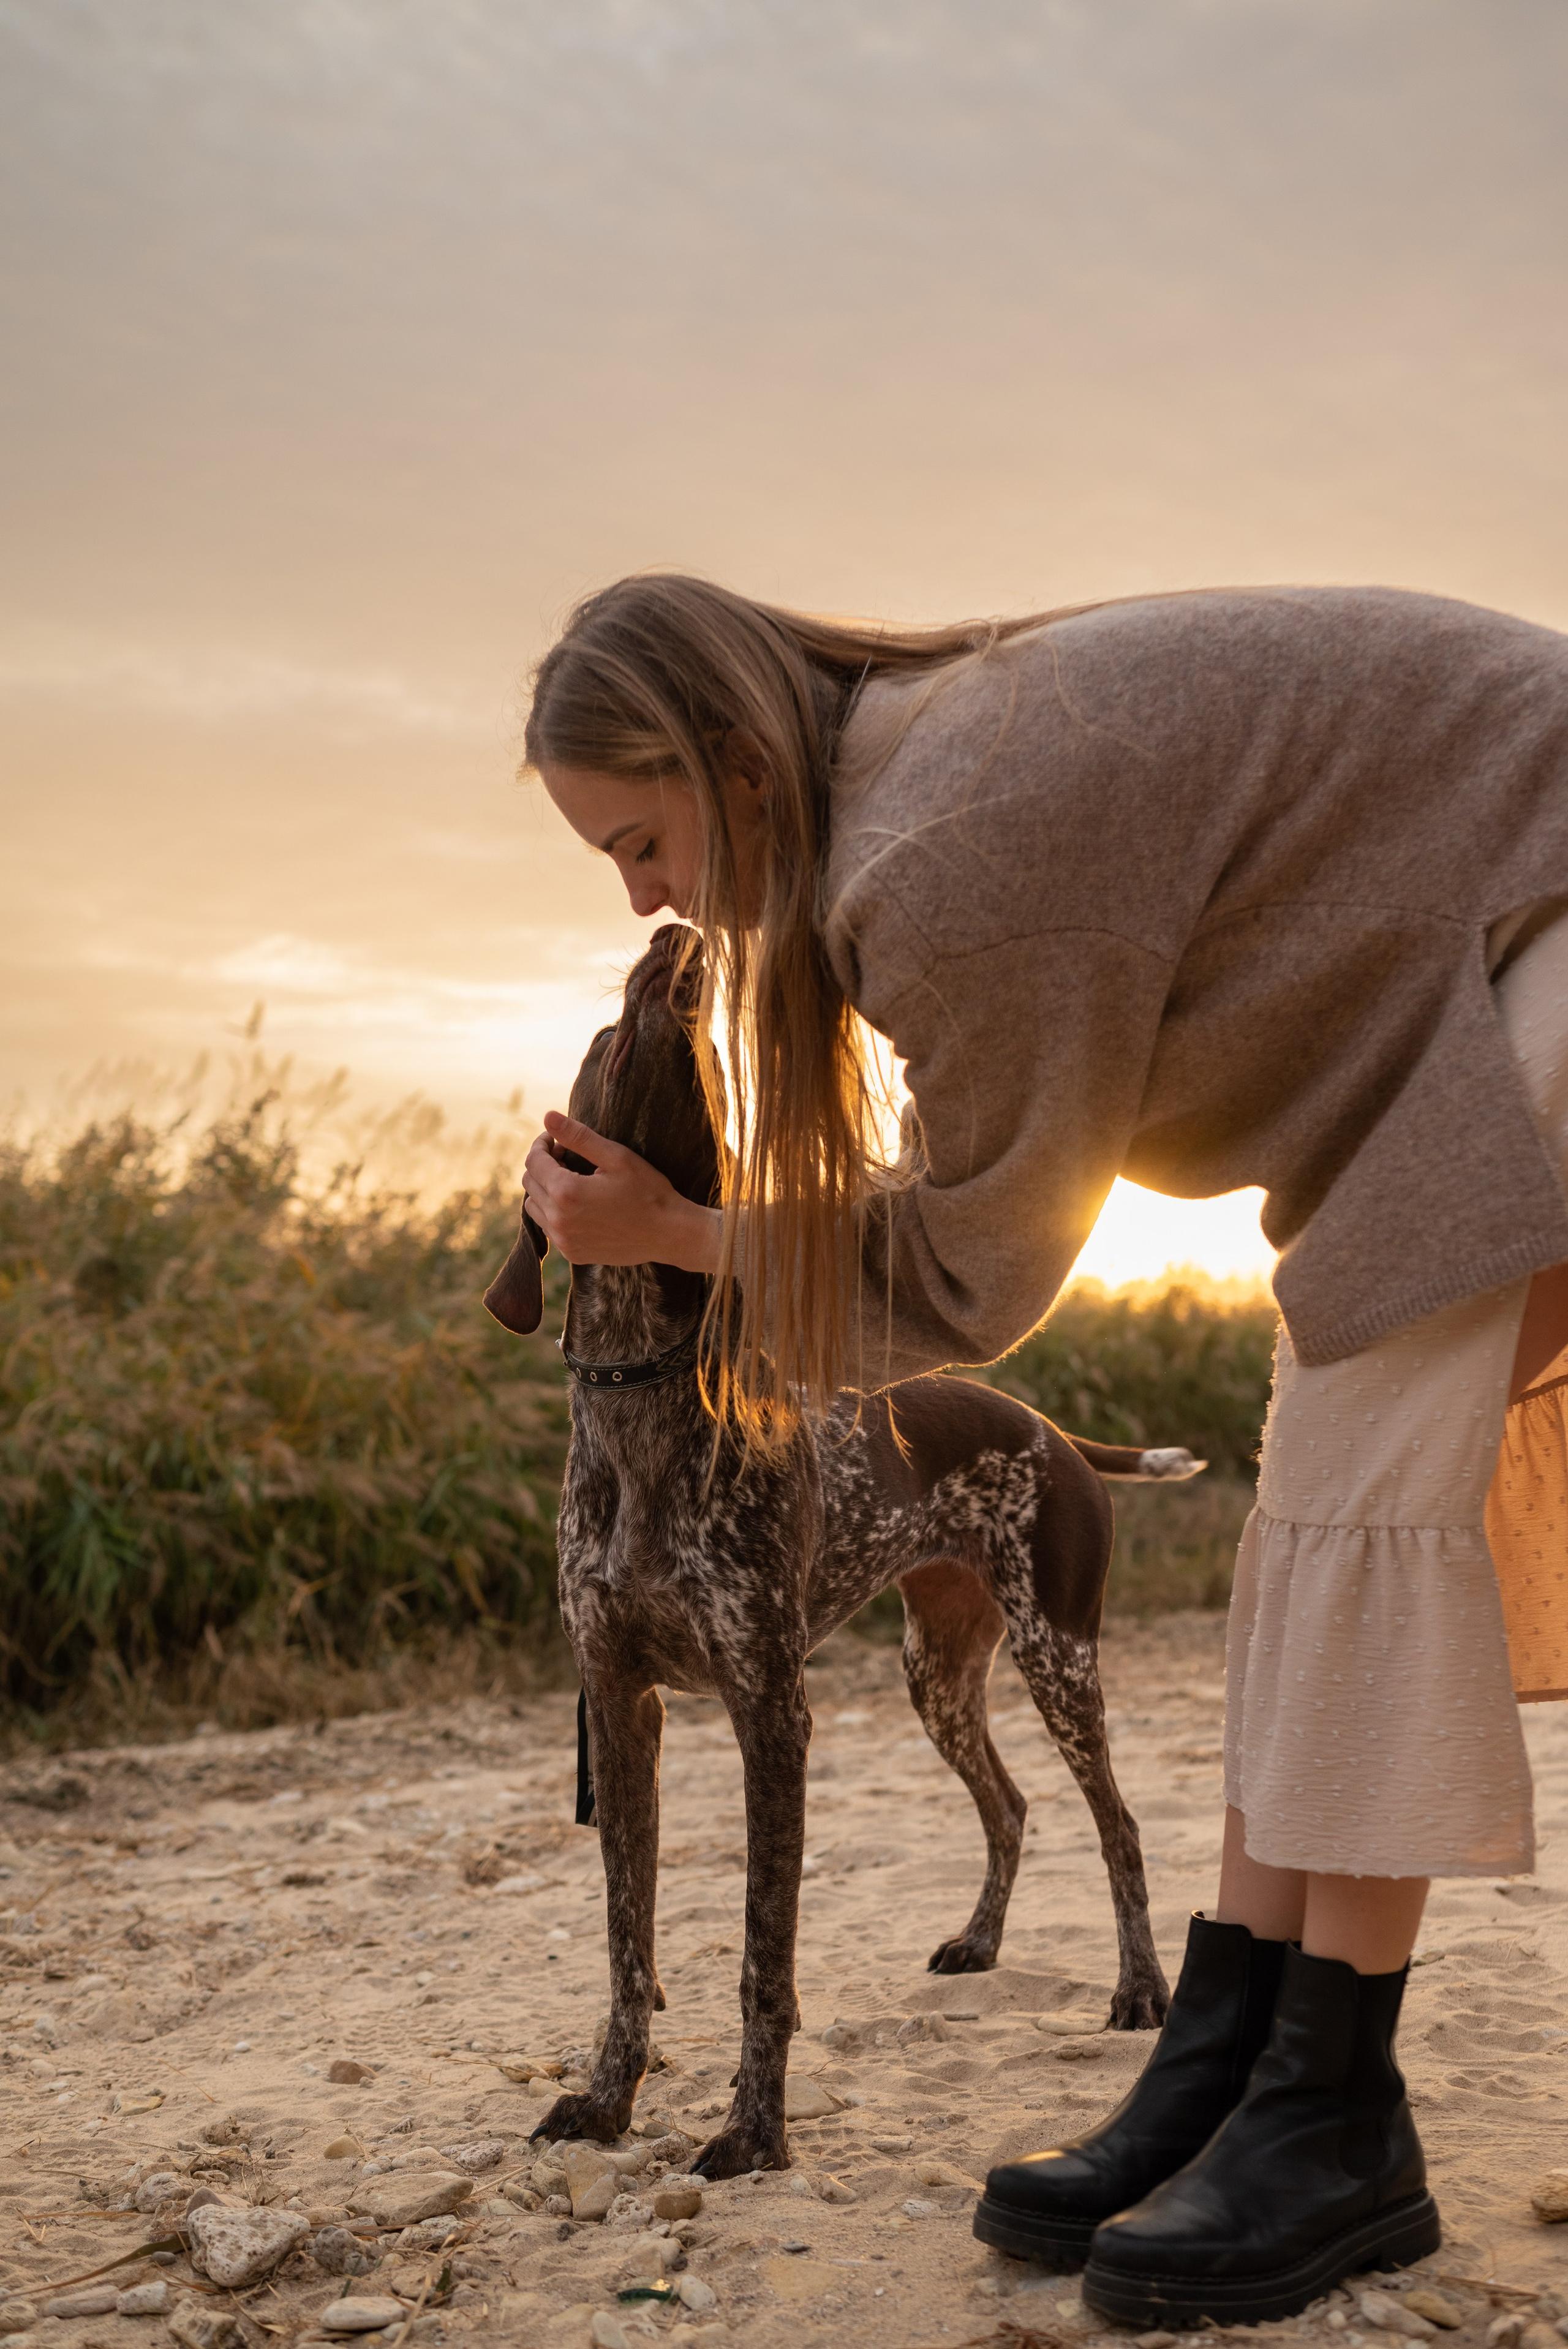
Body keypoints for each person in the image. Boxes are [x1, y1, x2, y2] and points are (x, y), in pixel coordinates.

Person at [519, 574, 1568, 2324]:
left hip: (1539, 922)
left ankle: (1334, 2113)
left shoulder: (939, 858)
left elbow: (971, 1267)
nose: (647, 898)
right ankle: (1230, 2046)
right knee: (1317, 1474)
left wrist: (682, 1234)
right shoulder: (909, 796)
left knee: (1371, 1482)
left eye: (642, 840)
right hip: (1467, 965)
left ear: (733, 765)